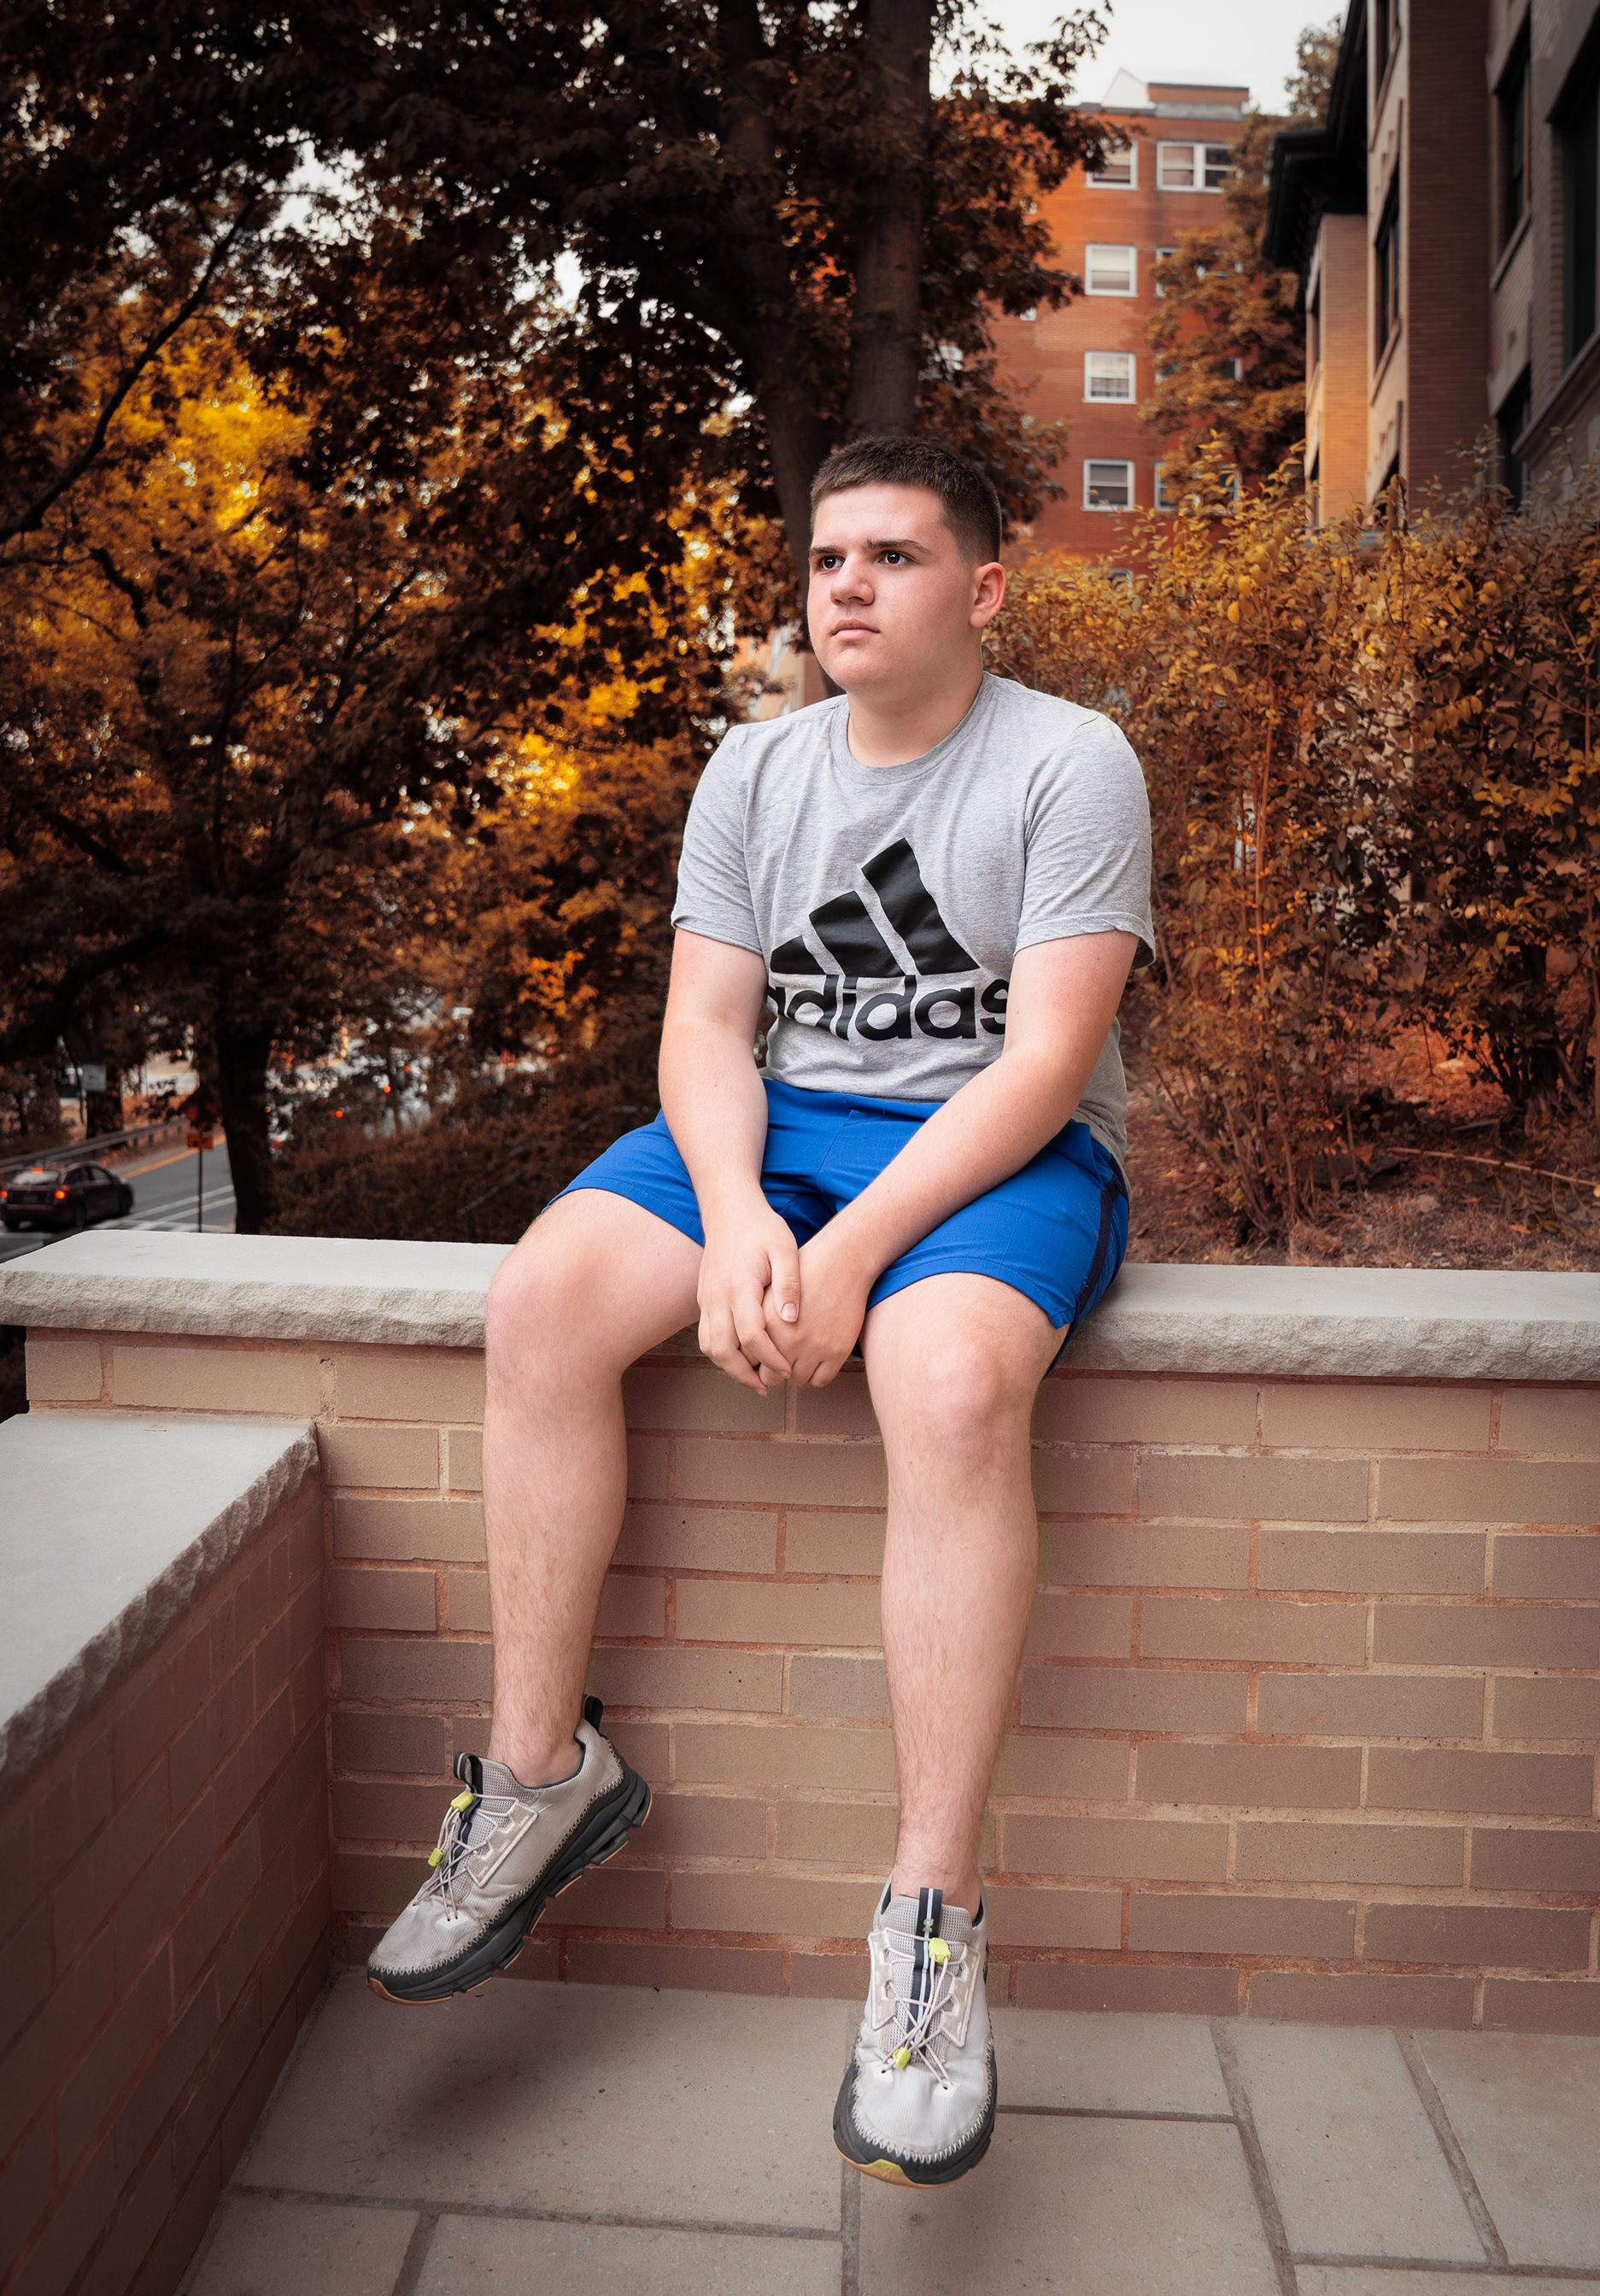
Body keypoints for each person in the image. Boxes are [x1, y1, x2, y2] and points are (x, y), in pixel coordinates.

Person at [366, 434, 1153, 2190]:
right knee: (544, 1301)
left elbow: (1044, 1066)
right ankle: (542, 1776)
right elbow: (708, 1032)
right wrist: (735, 1222)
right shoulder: (756, 766)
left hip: (995, 1149)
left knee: (946, 1387)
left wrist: (849, 1256)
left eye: (894, 556)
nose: (846, 587)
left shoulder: (1069, 761)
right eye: (825, 559)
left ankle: (930, 1929)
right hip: (778, 1131)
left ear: (985, 589)